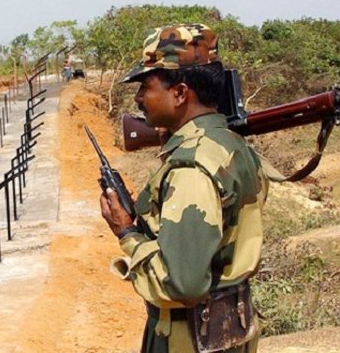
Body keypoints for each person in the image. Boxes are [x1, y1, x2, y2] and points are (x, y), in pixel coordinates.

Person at [99, 23, 269, 352]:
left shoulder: (190, 168)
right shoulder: (231, 144)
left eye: (145, 87)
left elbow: (183, 284)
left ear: (179, 93)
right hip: (231, 331)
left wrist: (127, 235)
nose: (138, 98)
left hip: (188, 340)